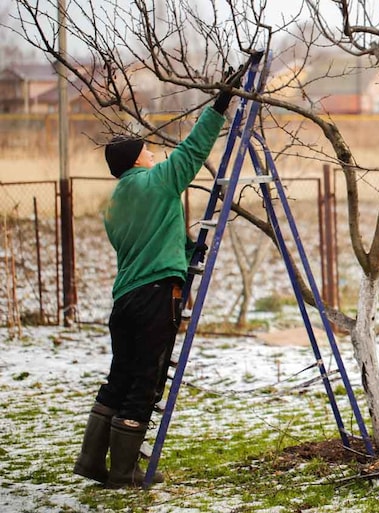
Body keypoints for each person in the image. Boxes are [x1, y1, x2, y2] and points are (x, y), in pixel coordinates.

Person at [73, 69, 242, 488]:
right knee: (145, 381)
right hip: (153, 299)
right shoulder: (157, 182)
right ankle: (125, 471)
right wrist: (220, 104)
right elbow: (193, 149)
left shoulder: (114, 205)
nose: (153, 155)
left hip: (125, 301)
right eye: (147, 151)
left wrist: (185, 252)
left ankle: (92, 461)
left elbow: (148, 241)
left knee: (120, 376)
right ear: (135, 160)